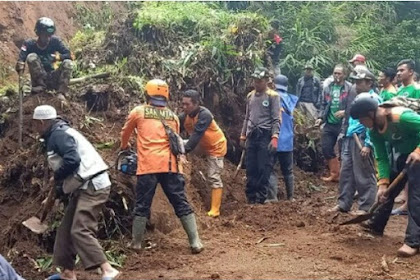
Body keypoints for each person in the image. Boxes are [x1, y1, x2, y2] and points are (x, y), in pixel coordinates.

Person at [32, 105, 119, 280]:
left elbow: (72, 160)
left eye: (35, 124)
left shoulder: (59, 135)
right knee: (65, 229)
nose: (34, 128)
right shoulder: (57, 133)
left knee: (80, 229)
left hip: (94, 185)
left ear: (41, 122)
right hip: (82, 186)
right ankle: (67, 273)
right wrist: (58, 188)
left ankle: (108, 270)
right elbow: (67, 167)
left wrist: (57, 176)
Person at [120, 79, 204, 254]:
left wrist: (124, 146)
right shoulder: (173, 116)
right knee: (180, 202)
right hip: (170, 165)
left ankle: (136, 243)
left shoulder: (138, 112)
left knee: (142, 204)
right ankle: (195, 242)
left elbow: (125, 132)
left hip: (148, 166)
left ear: (147, 94)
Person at [351, 93, 420, 257]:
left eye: (361, 120)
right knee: (387, 191)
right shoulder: (374, 131)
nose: (361, 123)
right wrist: (382, 184)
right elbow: (381, 157)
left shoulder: (401, 117)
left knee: (416, 198)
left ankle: (413, 242)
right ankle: (376, 225)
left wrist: (418, 151)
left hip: (417, 153)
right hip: (404, 155)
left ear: (370, 113)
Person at [328, 69, 379, 214]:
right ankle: (344, 203)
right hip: (350, 137)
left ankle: (366, 206)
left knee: (364, 173)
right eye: (355, 81)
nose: (356, 85)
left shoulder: (373, 98)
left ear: (369, 83)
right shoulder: (356, 97)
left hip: (362, 137)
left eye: (359, 82)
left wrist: (368, 144)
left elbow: (374, 124)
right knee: (346, 172)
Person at [179, 89, 227, 217]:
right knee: (178, 143)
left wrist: (183, 151)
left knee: (213, 176)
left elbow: (196, 136)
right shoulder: (185, 116)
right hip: (201, 145)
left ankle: (215, 210)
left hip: (215, 146)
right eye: (182, 104)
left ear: (195, 104)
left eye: (187, 104)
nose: (184, 107)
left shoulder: (204, 115)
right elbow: (174, 128)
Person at [240, 67, 280, 204]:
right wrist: (243, 136)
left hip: (265, 135)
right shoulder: (250, 96)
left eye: (260, 81)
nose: (257, 84)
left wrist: (275, 137)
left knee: (263, 167)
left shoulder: (272, 96)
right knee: (251, 167)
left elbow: (276, 119)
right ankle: (251, 197)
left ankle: (261, 198)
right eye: (255, 81)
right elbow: (247, 117)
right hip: (252, 135)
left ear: (266, 81)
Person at [15, 17, 73, 97]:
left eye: (49, 35)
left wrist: (57, 57)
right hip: (39, 78)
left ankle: (61, 91)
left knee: (68, 63)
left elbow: (70, 55)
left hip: (53, 76)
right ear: (39, 33)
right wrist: (20, 67)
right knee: (32, 57)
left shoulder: (55, 41)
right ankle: (40, 87)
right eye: (45, 35)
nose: (48, 38)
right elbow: (20, 60)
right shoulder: (29, 44)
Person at [316, 64, 352, 182]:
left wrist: (345, 112)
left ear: (344, 75)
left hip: (344, 124)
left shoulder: (350, 88)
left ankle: (346, 176)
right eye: (335, 73)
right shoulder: (328, 87)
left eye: (339, 73)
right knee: (326, 148)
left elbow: (354, 105)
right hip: (330, 123)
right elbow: (323, 104)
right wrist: (320, 117)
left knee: (344, 150)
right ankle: (335, 174)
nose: (336, 75)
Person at [266, 74, 298, 202]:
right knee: (288, 171)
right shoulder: (291, 99)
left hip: (274, 139)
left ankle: (272, 197)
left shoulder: (271, 98)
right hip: (288, 140)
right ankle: (291, 197)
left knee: (271, 169)